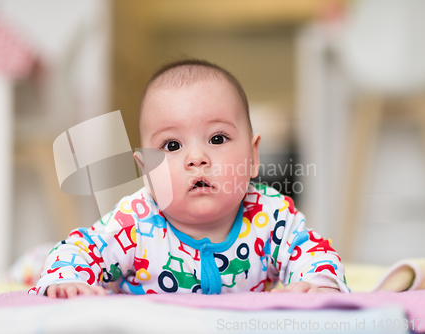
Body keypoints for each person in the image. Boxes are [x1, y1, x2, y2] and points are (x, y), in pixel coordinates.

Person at [29, 59, 349, 298]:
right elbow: (83, 247)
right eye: (172, 145)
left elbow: (311, 250)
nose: (197, 159)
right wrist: (67, 279)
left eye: (218, 138)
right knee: (47, 262)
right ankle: (33, 263)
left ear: (253, 157)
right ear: (147, 173)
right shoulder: (134, 223)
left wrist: (318, 283)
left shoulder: (272, 217)